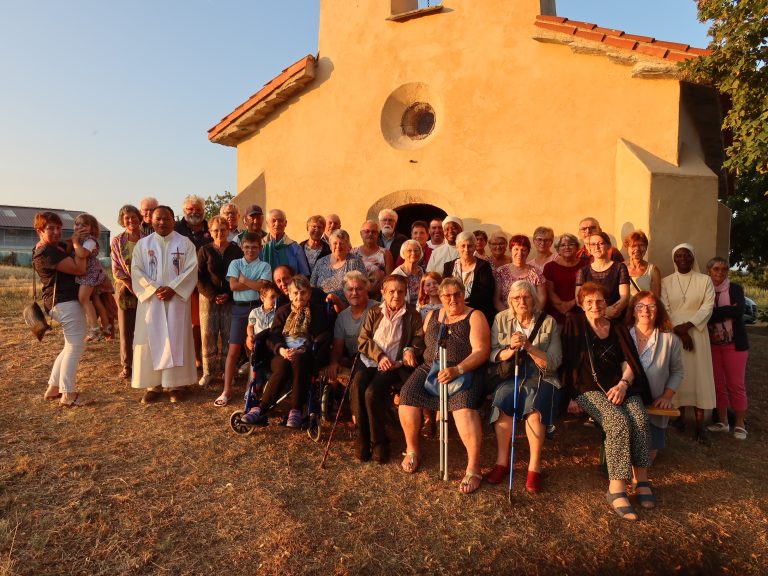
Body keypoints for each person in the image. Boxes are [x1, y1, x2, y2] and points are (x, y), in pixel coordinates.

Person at [562, 282, 653, 521]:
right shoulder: (575, 325)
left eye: (600, 301)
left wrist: (623, 384)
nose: (595, 306)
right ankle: (616, 490)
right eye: (589, 302)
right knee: (617, 421)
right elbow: (569, 363)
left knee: (640, 418)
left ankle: (642, 479)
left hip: (620, 385)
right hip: (588, 387)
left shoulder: (618, 328)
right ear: (581, 305)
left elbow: (630, 362)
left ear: (607, 303)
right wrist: (572, 396)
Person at [398, 277, 491, 494]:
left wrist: (457, 369)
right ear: (440, 297)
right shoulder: (432, 315)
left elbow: (481, 351)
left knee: (463, 409)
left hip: (464, 371)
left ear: (463, 293)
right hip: (430, 368)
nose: (452, 299)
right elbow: (420, 340)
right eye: (447, 295)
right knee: (407, 396)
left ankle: (474, 467)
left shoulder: (475, 316)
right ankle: (412, 450)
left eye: (457, 294)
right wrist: (409, 348)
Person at [486, 280, 562, 493]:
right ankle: (502, 462)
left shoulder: (548, 322)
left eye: (527, 297)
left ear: (534, 299)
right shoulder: (501, 319)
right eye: (517, 298)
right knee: (503, 401)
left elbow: (554, 361)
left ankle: (534, 468)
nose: (522, 301)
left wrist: (529, 347)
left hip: (541, 376)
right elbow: (492, 354)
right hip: (512, 376)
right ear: (510, 300)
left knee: (535, 407)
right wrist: (510, 348)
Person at [243, 275, 334, 427]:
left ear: (309, 294)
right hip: (282, 353)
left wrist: (301, 349)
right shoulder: (283, 311)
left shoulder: (318, 311)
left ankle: (296, 410)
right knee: (283, 365)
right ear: (290, 295)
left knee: (298, 359)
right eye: (296, 293)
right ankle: (261, 408)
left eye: (303, 292)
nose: (299, 296)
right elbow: (274, 334)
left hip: (307, 353)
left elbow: (321, 334)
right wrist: (282, 350)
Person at [131, 206, 199, 403]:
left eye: (166, 218)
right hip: (151, 301)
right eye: (158, 219)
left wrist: (173, 288)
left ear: (173, 219)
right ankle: (153, 385)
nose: (162, 222)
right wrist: (154, 288)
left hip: (176, 300)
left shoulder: (185, 243)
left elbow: (191, 269)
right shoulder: (143, 245)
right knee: (151, 339)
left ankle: (176, 384)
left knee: (176, 338)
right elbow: (136, 271)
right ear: (151, 221)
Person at [352, 275, 424, 463]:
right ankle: (363, 437)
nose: (396, 295)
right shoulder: (374, 312)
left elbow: (419, 339)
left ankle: (379, 441)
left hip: (393, 365)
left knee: (372, 392)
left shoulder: (412, 315)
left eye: (400, 291)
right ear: (383, 292)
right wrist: (379, 355)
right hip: (370, 360)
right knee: (358, 385)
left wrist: (409, 350)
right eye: (391, 291)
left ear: (406, 293)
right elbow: (363, 340)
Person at [661, 244, 716, 444]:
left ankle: (701, 426)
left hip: (698, 334)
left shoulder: (705, 280)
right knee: (679, 374)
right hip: (675, 335)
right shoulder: (667, 282)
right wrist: (680, 331)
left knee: (699, 376)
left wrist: (688, 326)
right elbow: (664, 308)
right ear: (673, 259)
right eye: (678, 256)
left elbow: (708, 306)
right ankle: (680, 418)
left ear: (693, 258)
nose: (682, 258)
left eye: (687, 255)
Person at [33, 211, 89, 406]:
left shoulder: (45, 248)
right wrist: (77, 245)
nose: (57, 232)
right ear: (40, 230)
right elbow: (79, 269)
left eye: (58, 227)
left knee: (69, 346)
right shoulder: (48, 252)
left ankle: (54, 388)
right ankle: (68, 394)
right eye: (51, 228)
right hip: (64, 303)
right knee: (75, 346)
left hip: (58, 303)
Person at [626, 290, 683, 462]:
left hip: (654, 404)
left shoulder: (670, 339)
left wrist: (667, 396)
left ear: (658, 310)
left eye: (651, 306)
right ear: (633, 310)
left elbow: (677, 371)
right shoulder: (622, 336)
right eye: (640, 306)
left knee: (647, 458)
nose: (645, 310)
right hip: (627, 402)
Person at [217, 232, 272, 407]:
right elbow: (233, 286)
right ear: (242, 247)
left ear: (260, 248)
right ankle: (226, 390)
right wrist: (253, 283)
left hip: (257, 308)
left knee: (253, 350)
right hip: (239, 309)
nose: (250, 250)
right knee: (233, 349)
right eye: (247, 247)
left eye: (254, 247)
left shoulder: (265, 265)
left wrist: (244, 280)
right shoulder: (235, 263)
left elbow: (262, 288)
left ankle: (251, 388)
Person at [705, 257, 749, 441]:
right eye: (716, 269)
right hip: (713, 345)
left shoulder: (735, 289)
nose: (720, 272)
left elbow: (738, 312)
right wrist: (726, 310)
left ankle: (740, 424)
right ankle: (723, 421)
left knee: (735, 385)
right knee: (717, 384)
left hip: (734, 345)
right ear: (709, 271)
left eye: (724, 269)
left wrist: (714, 313)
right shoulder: (705, 289)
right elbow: (705, 315)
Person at [197, 215, 243, 387]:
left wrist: (228, 294)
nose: (219, 233)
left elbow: (240, 274)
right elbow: (199, 276)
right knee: (208, 335)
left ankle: (226, 371)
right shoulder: (204, 250)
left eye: (223, 229)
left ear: (228, 230)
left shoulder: (236, 250)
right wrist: (213, 295)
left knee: (228, 335)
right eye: (216, 230)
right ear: (210, 231)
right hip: (208, 299)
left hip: (230, 298)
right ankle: (209, 372)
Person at [174, 194, 211, 368]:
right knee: (181, 323)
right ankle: (183, 358)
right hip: (179, 283)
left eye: (198, 209)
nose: (194, 212)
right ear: (184, 210)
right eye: (190, 209)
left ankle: (200, 357)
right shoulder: (175, 229)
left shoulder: (211, 228)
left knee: (200, 325)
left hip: (204, 283)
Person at [323, 271, 377, 384]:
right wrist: (334, 363)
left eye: (359, 289)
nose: (354, 293)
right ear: (344, 292)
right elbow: (337, 347)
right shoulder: (342, 317)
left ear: (366, 289)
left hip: (375, 360)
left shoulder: (378, 309)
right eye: (350, 289)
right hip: (354, 361)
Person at [110, 204, 145, 381]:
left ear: (140, 218)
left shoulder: (148, 238)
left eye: (133, 217)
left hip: (147, 288)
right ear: (122, 221)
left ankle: (144, 362)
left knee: (145, 327)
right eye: (127, 218)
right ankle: (127, 365)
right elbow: (116, 268)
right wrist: (131, 286)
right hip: (125, 288)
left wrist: (144, 287)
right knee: (126, 328)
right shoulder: (117, 241)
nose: (131, 221)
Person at [443, 231, 496, 326]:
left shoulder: (484, 266)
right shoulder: (448, 266)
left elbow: (487, 292)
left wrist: (464, 304)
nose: (466, 249)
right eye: (463, 246)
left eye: (470, 246)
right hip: (453, 312)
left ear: (475, 247)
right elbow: (444, 290)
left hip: (477, 312)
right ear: (457, 247)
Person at [575, 232, 630, 320]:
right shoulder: (583, 271)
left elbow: (625, 297)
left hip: (614, 319)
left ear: (608, 246)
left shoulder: (620, 267)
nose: (596, 247)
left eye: (600, 243)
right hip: (591, 321)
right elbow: (579, 300)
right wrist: (602, 312)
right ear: (589, 248)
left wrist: (611, 312)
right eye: (593, 244)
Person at [73, 213, 109, 342]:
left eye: (84, 225)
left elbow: (82, 254)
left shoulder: (90, 241)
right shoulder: (83, 240)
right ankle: (106, 326)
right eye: (77, 224)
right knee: (95, 299)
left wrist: (74, 242)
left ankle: (94, 329)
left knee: (83, 299)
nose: (79, 227)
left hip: (90, 273)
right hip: (88, 273)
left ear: (92, 228)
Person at [493, 234, 546, 312]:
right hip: (507, 317)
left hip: (531, 316)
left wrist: (531, 315)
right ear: (511, 250)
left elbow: (542, 299)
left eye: (523, 250)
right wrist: (510, 317)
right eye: (516, 249)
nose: (520, 253)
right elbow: (496, 300)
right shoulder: (500, 272)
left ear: (528, 252)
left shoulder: (537, 273)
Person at [310, 229, 366, 302]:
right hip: (322, 306)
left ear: (348, 245)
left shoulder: (356, 262)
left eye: (342, 243)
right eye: (335, 243)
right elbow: (312, 286)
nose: (338, 246)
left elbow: (363, 285)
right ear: (330, 246)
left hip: (348, 306)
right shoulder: (320, 262)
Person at [543, 233, 586, 325]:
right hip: (554, 315)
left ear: (577, 247)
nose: (567, 247)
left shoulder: (585, 266)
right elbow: (549, 292)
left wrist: (569, 305)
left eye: (571, 244)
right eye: (562, 245)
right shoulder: (549, 267)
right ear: (558, 250)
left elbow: (586, 290)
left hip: (578, 313)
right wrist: (563, 309)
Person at [262, 209, 310, 276]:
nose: (277, 224)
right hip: (265, 286)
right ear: (267, 223)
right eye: (273, 221)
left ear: (285, 223)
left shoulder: (295, 247)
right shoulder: (260, 246)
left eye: (280, 221)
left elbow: (304, 274)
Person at [355, 220, 394, 297]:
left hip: (379, 297)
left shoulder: (385, 253)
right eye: (367, 231)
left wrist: (375, 289)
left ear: (378, 234)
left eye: (374, 232)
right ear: (361, 234)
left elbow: (390, 278)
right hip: (357, 295)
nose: (370, 234)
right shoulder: (353, 253)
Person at [624, 230, 661, 297]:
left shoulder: (653, 270)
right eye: (633, 246)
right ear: (627, 248)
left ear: (646, 248)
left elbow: (656, 298)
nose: (637, 249)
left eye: (641, 245)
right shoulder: (620, 268)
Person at [392, 239, 424, 305]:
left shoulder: (421, 271)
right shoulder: (397, 274)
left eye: (416, 250)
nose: (413, 253)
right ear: (403, 253)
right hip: (404, 309)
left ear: (420, 253)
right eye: (409, 251)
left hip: (421, 307)